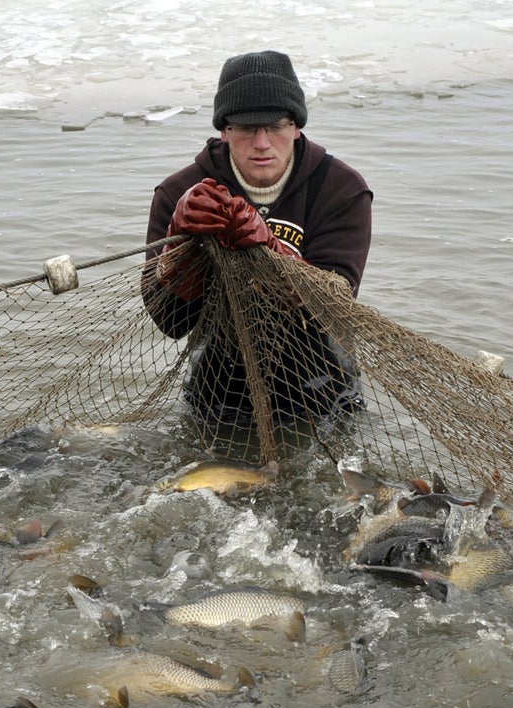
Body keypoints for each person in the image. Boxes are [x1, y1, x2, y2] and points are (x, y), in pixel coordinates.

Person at [143, 50, 373, 426]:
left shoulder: (341, 189)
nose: (262, 143)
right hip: (215, 397)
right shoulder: (177, 192)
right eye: (247, 128)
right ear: (225, 129)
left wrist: (272, 252)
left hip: (325, 394)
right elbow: (170, 322)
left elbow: (335, 307)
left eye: (276, 125)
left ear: (296, 126)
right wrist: (177, 243)